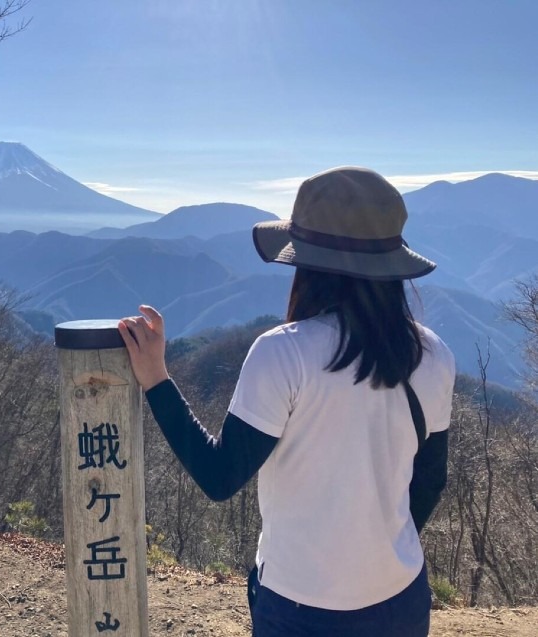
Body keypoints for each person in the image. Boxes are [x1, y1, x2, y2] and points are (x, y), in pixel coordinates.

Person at [118, 167, 455, 637]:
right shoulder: (434, 354)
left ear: (310, 265)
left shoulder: (284, 352)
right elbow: (431, 479)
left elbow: (220, 476)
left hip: (300, 604)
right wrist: (378, 545)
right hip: (400, 597)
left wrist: (156, 380)